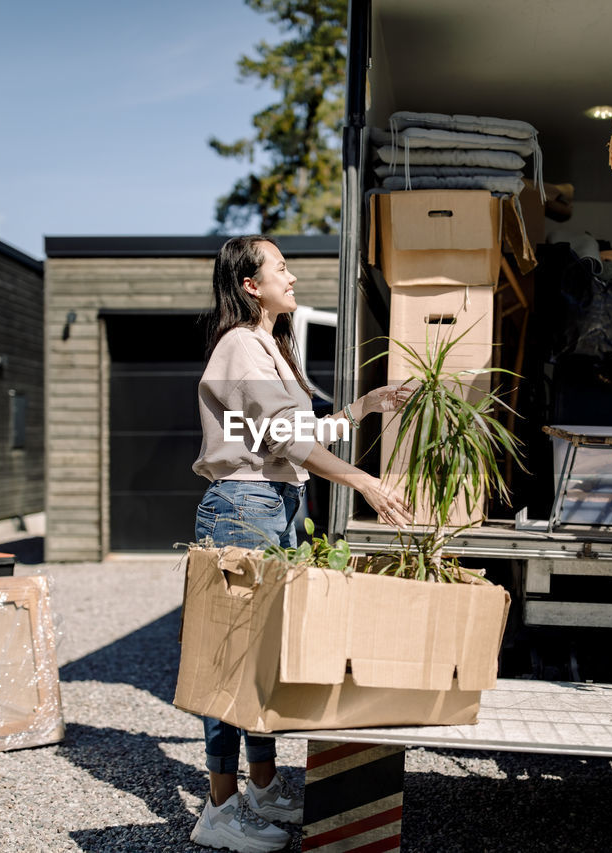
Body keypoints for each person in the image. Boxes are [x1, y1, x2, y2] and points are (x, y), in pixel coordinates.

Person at [188, 235, 413, 852]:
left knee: (263, 658)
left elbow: (297, 431)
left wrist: (363, 407)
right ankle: (219, 808)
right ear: (249, 285)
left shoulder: (269, 349)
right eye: (280, 267)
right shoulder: (240, 347)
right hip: (244, 506)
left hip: (272, 504)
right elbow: (288, 442)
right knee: (231, 659)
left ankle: (260, 787)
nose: (293, 275)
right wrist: (364, 479)